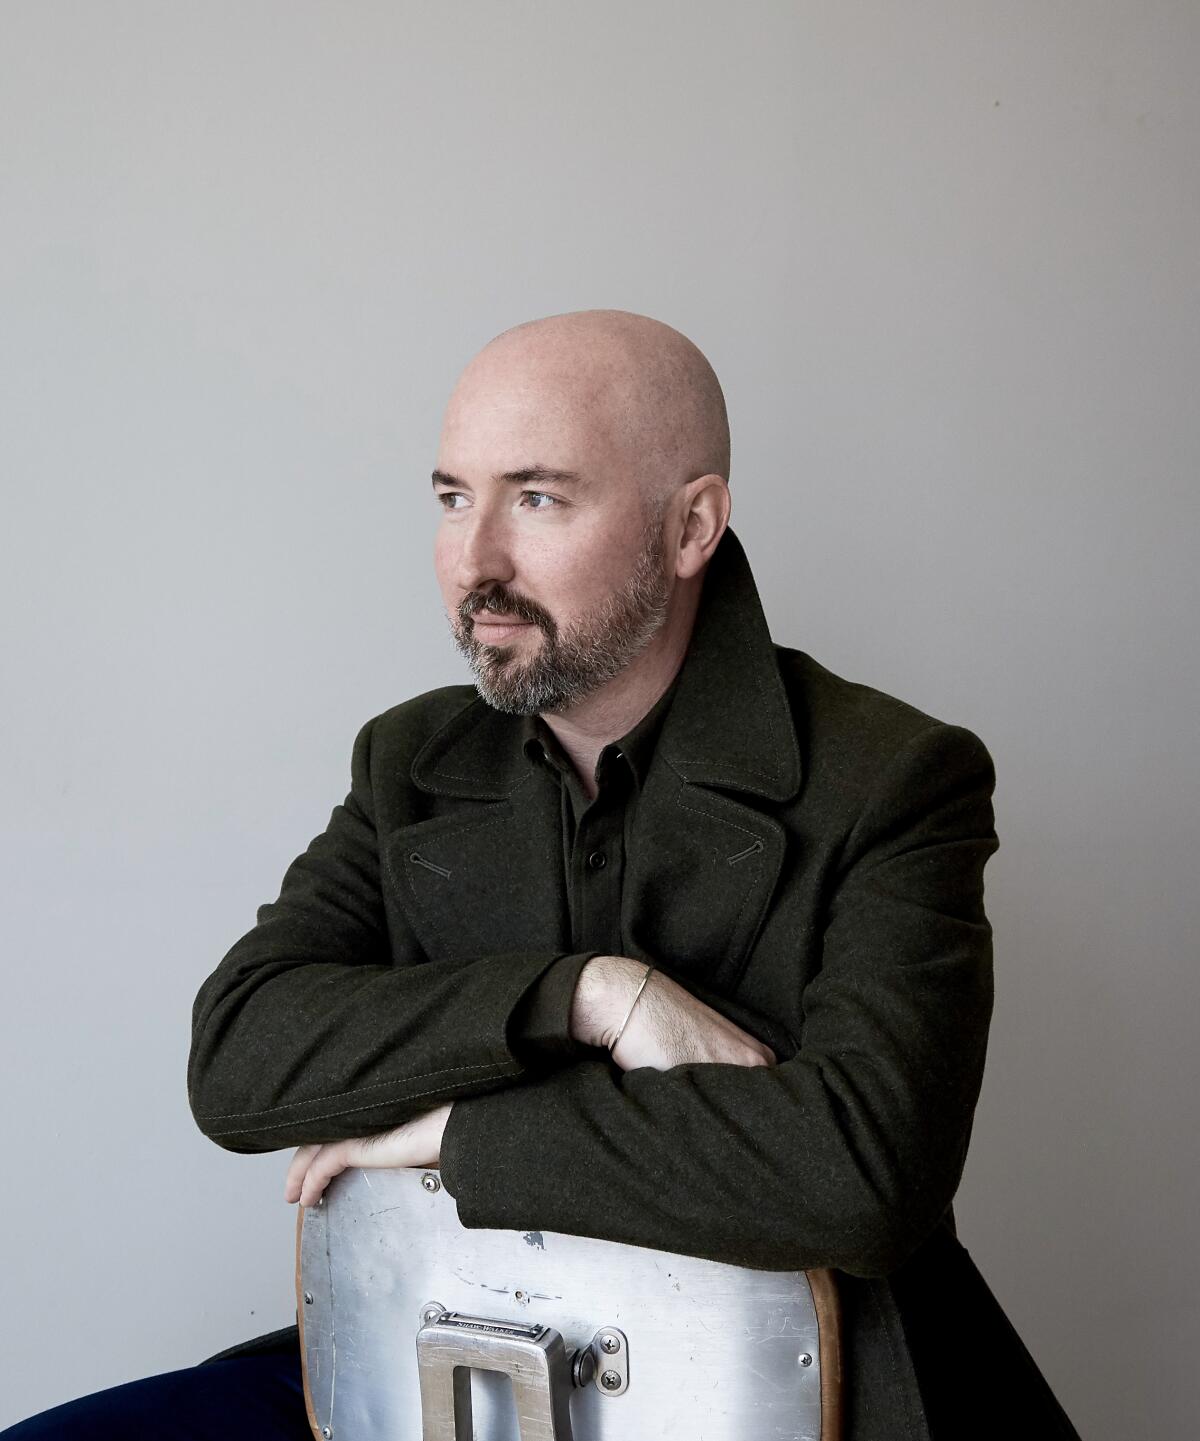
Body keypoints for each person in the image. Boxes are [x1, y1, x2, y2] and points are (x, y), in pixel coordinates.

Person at [3, 310, 1080, 1440]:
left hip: (804, 1395)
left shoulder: (895, 777)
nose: (477, 563)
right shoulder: (409, 761)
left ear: (692, 527)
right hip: (457, 1359)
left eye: (538, 498)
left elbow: (860, 1172)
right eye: (453, 497)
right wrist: (587, 994)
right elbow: (238, 1061)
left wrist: (450, 1129)